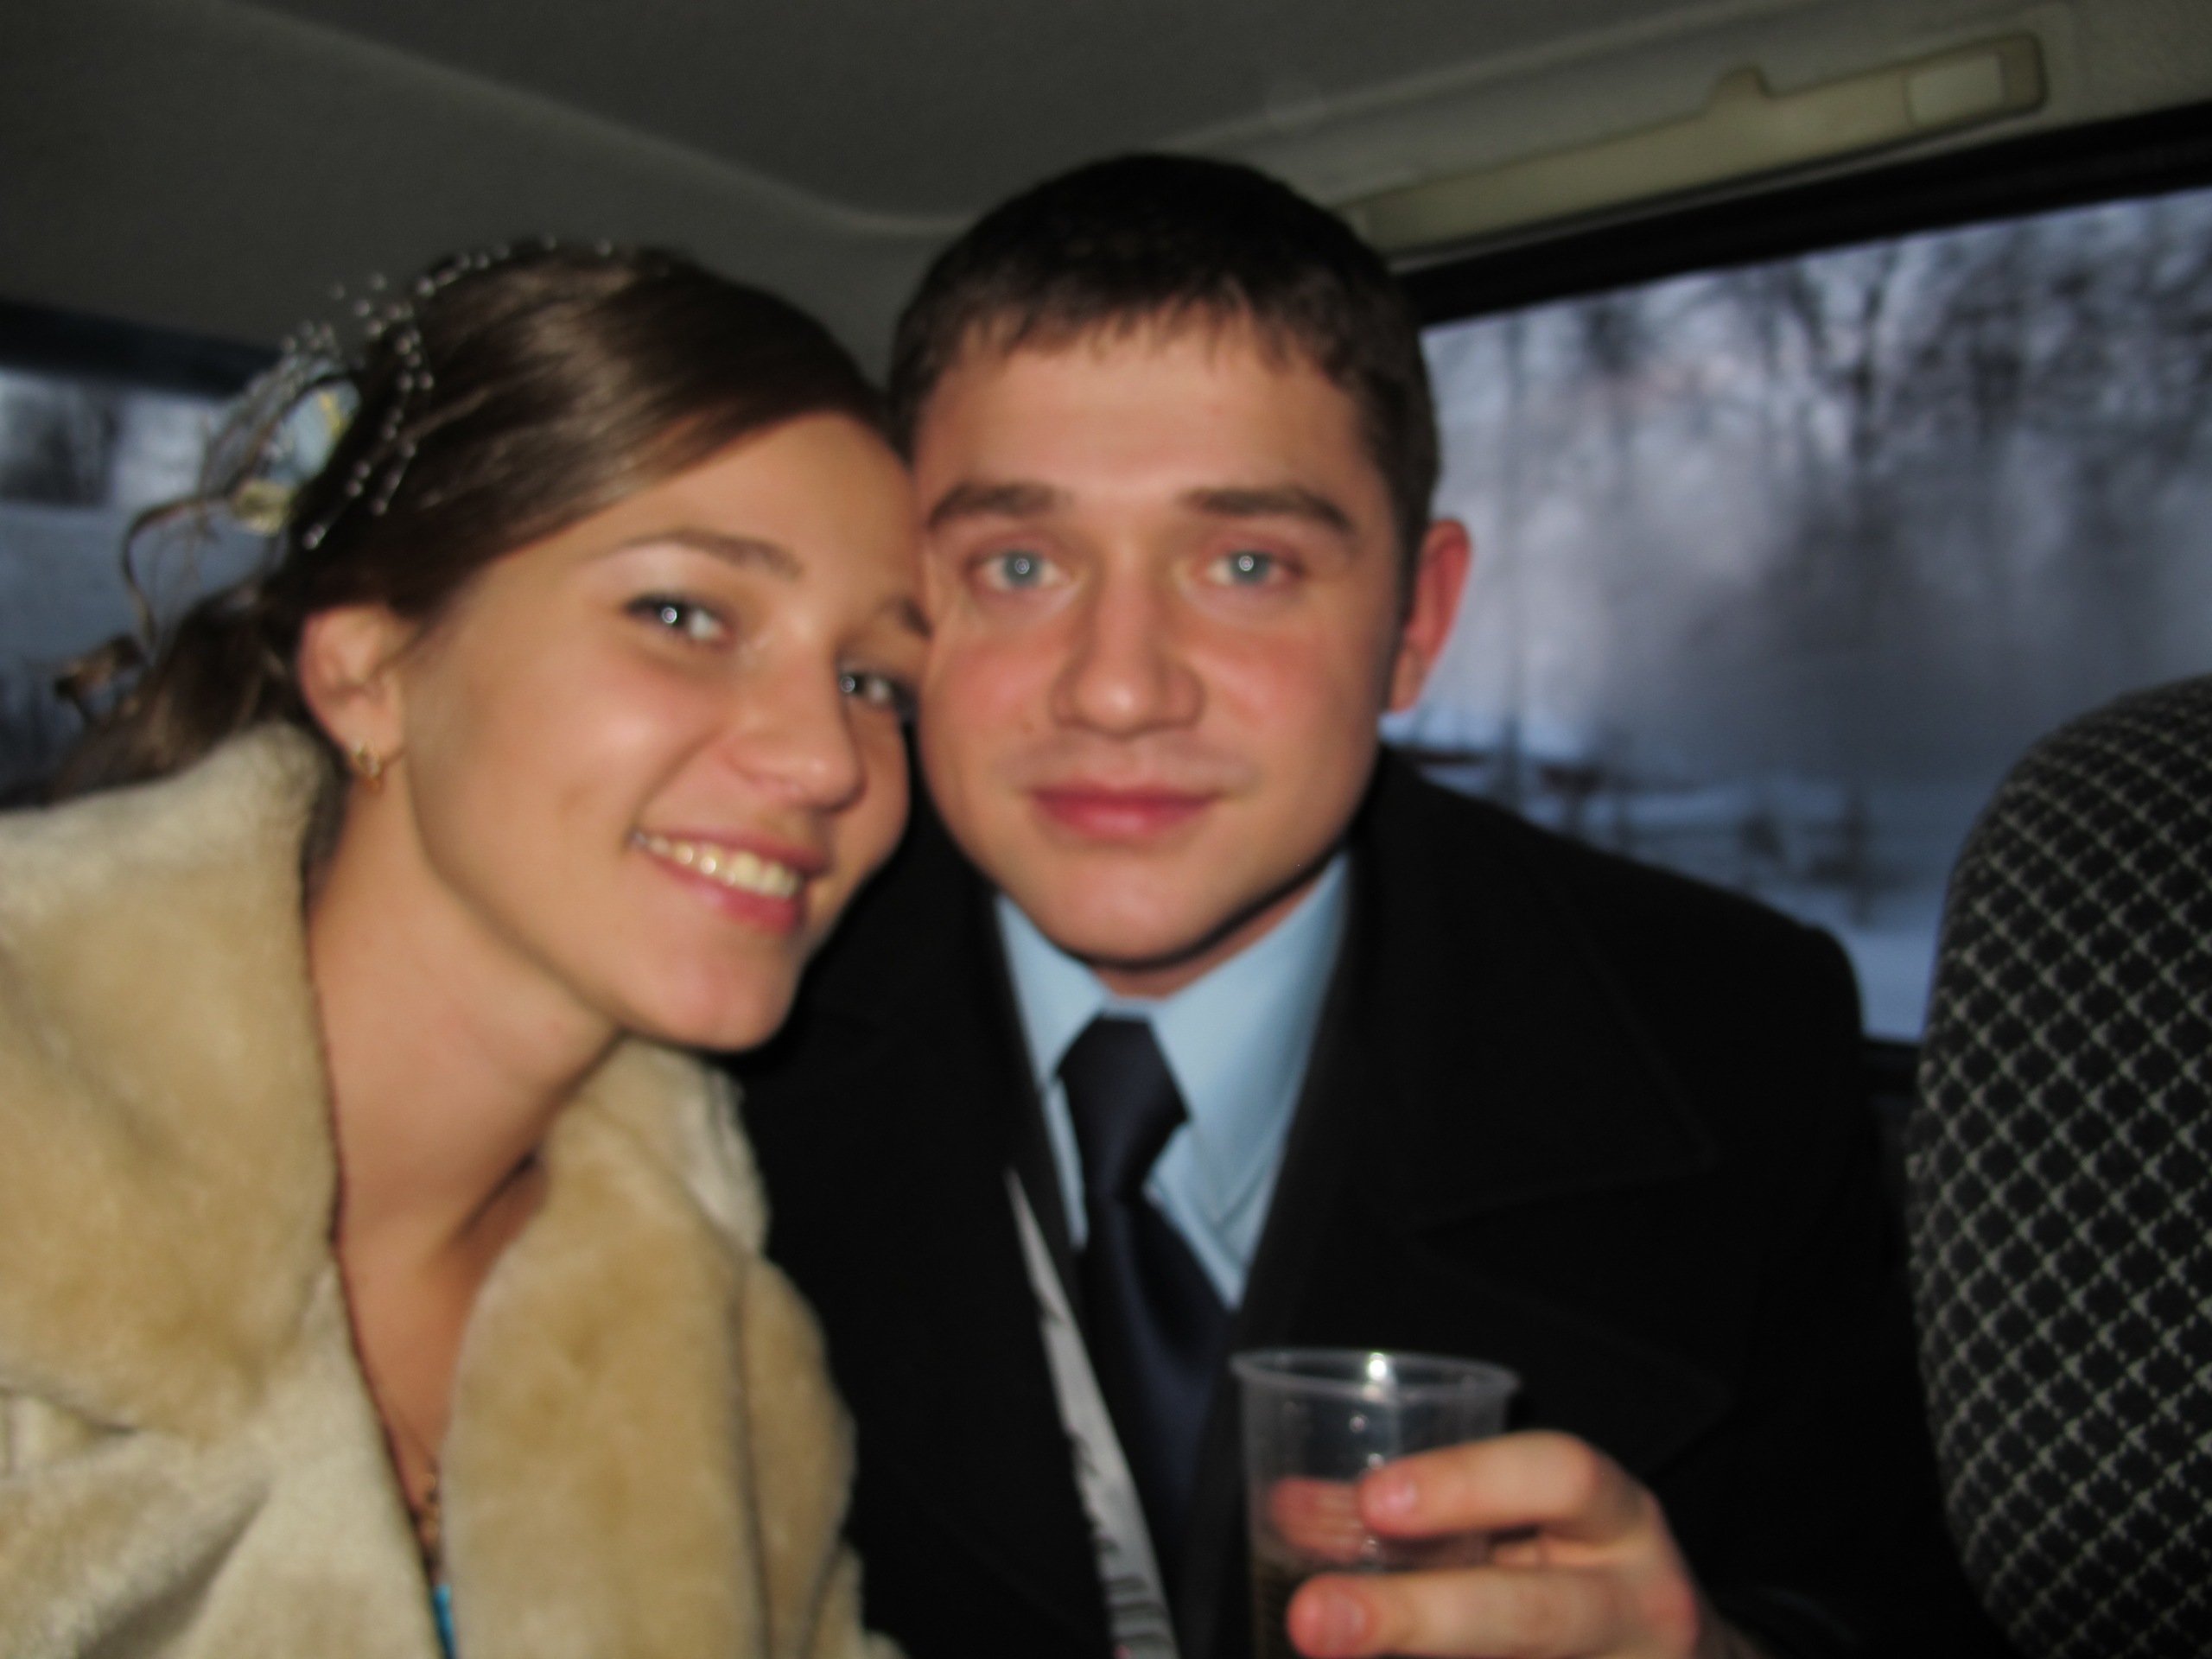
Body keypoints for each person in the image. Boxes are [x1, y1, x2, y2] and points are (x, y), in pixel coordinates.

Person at [728, 157, 2009, 1659]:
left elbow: (1905, 1601)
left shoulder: (1728, 1033)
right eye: (1018, 565)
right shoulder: (718, 1022)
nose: (1119, 688)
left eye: (1247, 564)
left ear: (1416, 619)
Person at [0, 245, 922, 1658]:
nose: (825, 758)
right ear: (369, 670)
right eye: (685, 615)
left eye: (872, 680)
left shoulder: (728, 1347)